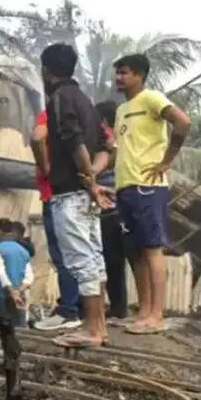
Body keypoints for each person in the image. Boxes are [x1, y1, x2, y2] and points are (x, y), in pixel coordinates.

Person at [32, 43, 112, 348]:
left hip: (69, 195)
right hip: (84, 194)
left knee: (80, 261)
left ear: (46, 71)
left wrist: (87, 177)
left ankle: (91, 329)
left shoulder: (59, 99)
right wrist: (93, 174)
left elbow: (72, 139)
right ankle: (99, 327)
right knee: (94, 258)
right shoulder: (86, 101)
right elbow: (108, 147)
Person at [113, 53, 191, 334]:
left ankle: (157, 315)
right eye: (117, 73)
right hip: (125, 186)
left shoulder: (152, 98)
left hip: (148, 185)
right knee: (135, 252)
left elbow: (183, 122)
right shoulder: (122, 110)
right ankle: (144, 311)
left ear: (139, 75)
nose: (119, 78)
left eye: (124, 72)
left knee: (152, 249)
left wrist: (167, 160)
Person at [31, 107, 83, 332]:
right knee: (81, 254)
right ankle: (80, 307)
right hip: (79, 194)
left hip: (56, 195)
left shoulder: (52, 113)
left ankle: (69, 310)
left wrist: (45, 168)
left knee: (63, 255)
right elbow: (110, 145)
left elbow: (37, 137)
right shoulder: (87, 113)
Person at [95, 101, 130, 322]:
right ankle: (118, 307)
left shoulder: (110, 141)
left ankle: (118, 308)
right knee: (115, 261)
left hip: (110, 206)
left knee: (111, 260)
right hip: (119, 206)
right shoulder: (124, 138)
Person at [0, 218, 34, 326]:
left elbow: (2, 272)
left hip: (2, 293)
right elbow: (30, 276)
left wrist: (11, 291)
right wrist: (18, 291)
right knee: (20, 325)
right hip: (19, 292)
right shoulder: (23, 250)